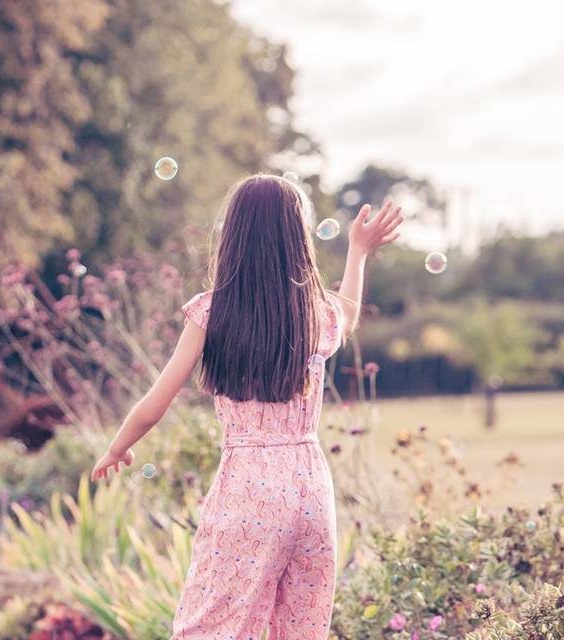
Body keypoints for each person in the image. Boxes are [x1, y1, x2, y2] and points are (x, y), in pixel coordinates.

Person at [91, 173, 403, 639]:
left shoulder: (212, 311)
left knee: (209, 627)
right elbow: (350, 314)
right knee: (296, 628)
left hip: (249, 490)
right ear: (298, 238)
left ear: (234, 236)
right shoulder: (315, 312)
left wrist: (117, 448)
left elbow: (156, 402)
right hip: (311, 489)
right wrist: (358, 252)